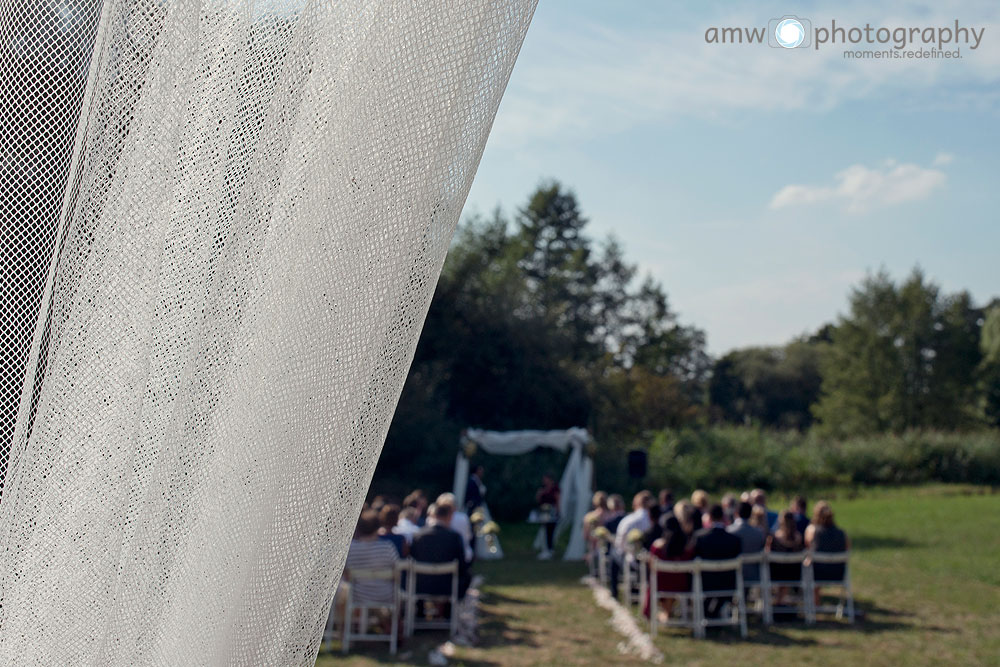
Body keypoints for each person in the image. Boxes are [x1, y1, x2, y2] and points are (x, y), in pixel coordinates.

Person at [410, 502, 471, 599]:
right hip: (447, 588)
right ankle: (448, 611)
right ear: (449, 517)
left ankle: (419, 610)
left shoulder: (418, 535)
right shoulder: (454, 537)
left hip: (421, 586)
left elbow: (411, 558)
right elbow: (461, 564)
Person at [343, 510, 400, 610]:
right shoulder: (387, 547)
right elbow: (397, 571)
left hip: (358, 595)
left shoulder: (350, 549)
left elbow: (346, 574)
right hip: (385, 595)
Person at [693, 504, 742, 617]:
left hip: (705, 584)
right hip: (728, 584)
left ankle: (708, 613)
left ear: (709, 517)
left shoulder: (700, 538)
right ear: (723, 517)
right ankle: (713, 613)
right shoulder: (734, 540)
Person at [643, 514, 694, 620]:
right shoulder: (687, 546)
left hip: (661, 585)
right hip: (681, 585)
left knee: (655, 581)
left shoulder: (657, 547)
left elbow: (651, 567)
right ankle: (667, 612)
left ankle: (665, 613)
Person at [805, 501, 850, 601]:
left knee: (808, 563)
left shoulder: (811, 530)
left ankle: (814, 603)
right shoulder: (842, 533)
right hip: (838, 574)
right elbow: (847, 550)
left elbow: (807, 549)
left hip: (817, 573)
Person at [611, 491, 653, 599]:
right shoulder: (655, 520)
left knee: (614, 553)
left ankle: (614, 591)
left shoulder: (628, 520)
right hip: (652, 559)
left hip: (632, 560)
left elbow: (619, 544)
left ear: (636, 504)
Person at [767, 509, 805, 606]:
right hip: (795, 576)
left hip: (775, 575)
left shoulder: (774, 538)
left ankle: (779, 602)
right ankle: (781, 601)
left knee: (781, 570)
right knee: (787, 570)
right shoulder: (799, 538)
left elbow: (767, 554)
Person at [727, 501, 765, 584]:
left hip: (733, 575)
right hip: (755, 575)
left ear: (736, 513)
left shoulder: (728, 532)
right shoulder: (759, 533)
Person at [436, 493, 473, 563]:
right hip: (465, 556)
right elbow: (468, 537)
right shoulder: (464, 517)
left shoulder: (437, 519)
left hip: (445, 557)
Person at [535, 474, 561, 560]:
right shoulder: (542, 489)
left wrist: (558, 511)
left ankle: (550, 549)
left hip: (551, 511)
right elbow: (538, 500)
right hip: (543, 512)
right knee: (545, 530)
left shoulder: (555, 488)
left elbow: (557, 500)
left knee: (550, 530)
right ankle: (546, 549)